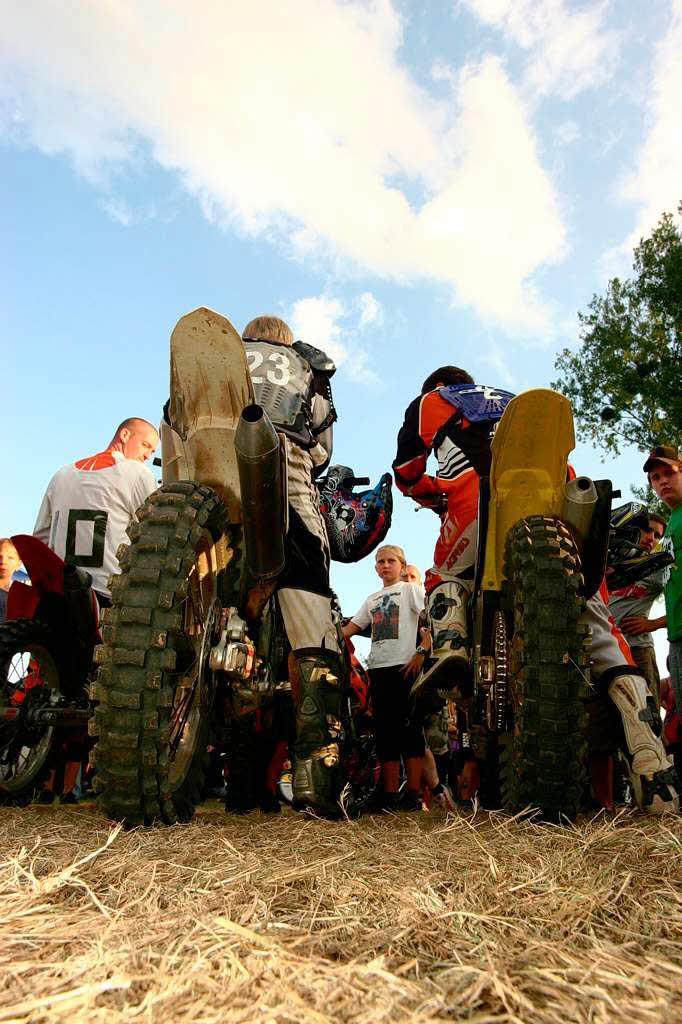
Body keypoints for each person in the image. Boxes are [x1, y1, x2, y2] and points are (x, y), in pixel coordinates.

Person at [393, 369, 678, 814]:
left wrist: (432, 494)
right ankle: (652, 762)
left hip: (475, 501)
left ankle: (451, 642)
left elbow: (406, 472)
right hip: (563, 503)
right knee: (601, 630)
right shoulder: (510, 398)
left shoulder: (432, 401)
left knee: (439, 575)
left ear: (432, 385)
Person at [241, 315, 343, 814]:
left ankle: (239, 787)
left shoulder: (223, 360)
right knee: (312, 634)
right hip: (288, 501)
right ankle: (315, 783)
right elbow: (321, 453)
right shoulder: (308, 372)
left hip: (212, 500)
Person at [33, 418, 159, 606]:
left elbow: (40, 538)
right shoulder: (138, 473)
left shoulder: (62, 474)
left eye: (152, 451)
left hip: (58, 595)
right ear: (125, 435)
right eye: (146, 445)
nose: (148, 456)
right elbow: (154, 535)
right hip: (108, 596)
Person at [342, 544, 426, 810]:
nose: (385, 565)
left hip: (406, 667)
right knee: (385, 733)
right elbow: (350, 629)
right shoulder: (372, 599)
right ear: (376, 567)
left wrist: (421, 652)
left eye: (391, 561)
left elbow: (436, 619)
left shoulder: (412, 590)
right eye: (380, 562)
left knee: (411, 732)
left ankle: (413, 795)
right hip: (379, 669)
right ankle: (389, 795)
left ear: (402, 565)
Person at [608, 512, 667, 706]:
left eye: (658, 535)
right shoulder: (609, 560)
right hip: (607, 648)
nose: (651, 538)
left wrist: (653, 624)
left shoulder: (658, 568)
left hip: (638, 649)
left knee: (648, 714)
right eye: (647, 530)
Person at [645, 446, 682, 729]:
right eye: (656, 478)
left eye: (669, 473)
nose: (662, 482)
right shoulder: (672, 522)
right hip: (676, 634)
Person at [0, 538, 22, 623]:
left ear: (19, 564)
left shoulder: (19, 599)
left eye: (10, 558)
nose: (3, 561)